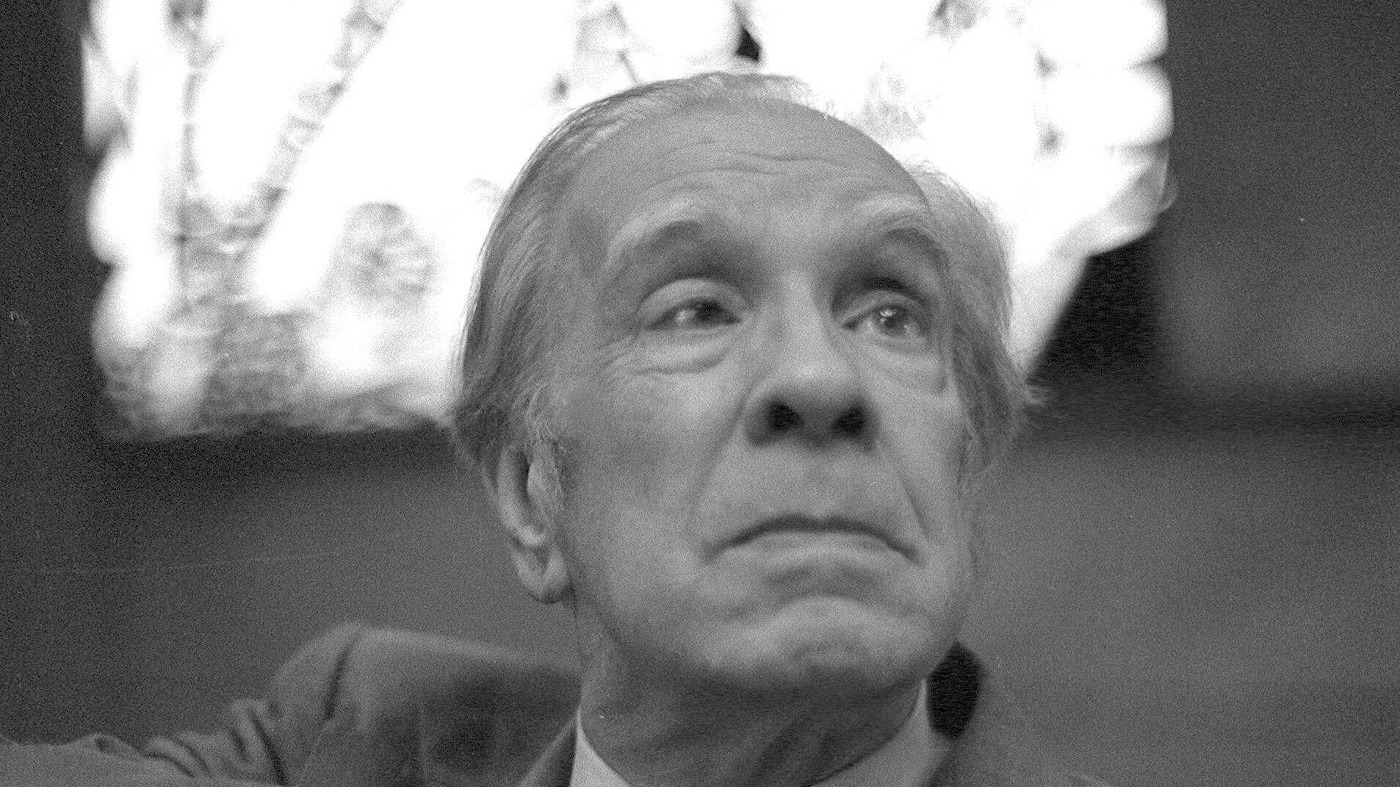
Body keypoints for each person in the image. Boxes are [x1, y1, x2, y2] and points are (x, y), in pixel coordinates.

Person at [3, 73, 1120, 786]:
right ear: (533, 492)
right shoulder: (363, 742)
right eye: (695, 309)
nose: (821, 378)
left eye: (889, 313)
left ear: (963, 460)